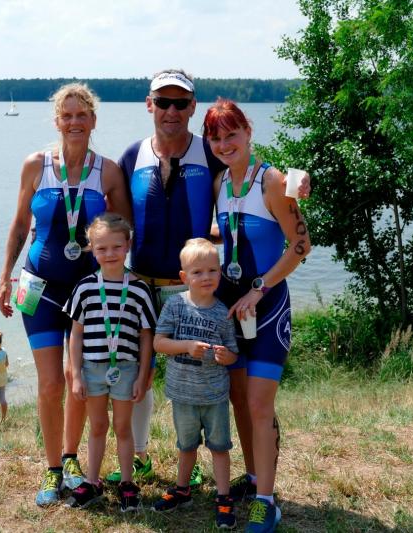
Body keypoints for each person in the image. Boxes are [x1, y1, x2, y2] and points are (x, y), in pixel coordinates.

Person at [114, 68, 312, 486]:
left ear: (191, 107)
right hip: (168, 286)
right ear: (149, 104)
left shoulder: (213, 155)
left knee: (235, 391)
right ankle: (145, 460)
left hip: (216, 292)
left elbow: (261, 174)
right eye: (163, 101)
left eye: (180, 103)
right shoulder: (140, 156)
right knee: (144, 377)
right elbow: (120, 214)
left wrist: (298, 179)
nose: (171, 110)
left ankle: (256, 480)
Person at [0, 83, 131, 505]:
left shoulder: (108, 172)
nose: (74, 122)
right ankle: (53, 468)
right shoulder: (35, 165)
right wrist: (4, 277)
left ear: (93, 120)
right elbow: (20, 225)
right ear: (57, 121)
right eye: (67, 115)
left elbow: (124, 232)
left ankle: (71, 459)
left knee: (79, 379)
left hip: (87, 293)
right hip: (36, 286)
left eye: (81, 115)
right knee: (51, 383)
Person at [205, 98, 311, 533]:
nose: (224, 144)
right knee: (238, 400)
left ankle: (267, 502)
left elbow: (300, 246)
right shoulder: (218, 182)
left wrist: (260, 288)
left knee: (258, 403)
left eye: (232, 134)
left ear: (248, 132)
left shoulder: (272, 181)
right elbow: (230, 232)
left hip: (266, 307)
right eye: (216, 138)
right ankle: (252, 478)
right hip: (232, 307)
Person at [63, 213, 155, 512]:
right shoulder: (85, 287)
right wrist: (76, 375)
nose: (110, 253)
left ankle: (127, 482)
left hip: (126, 369)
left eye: (116, 247)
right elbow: (76, 335)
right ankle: (92, 482)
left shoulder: (140, 289)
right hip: (92, 369)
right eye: (102, 248)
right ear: (92, 249)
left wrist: (143, 374)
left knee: (123, 427)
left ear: (127, 245)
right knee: (98, 426)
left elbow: (146, 336)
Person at [151, 238, 240, 529]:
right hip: (182, 394)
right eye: (198, 272)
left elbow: (232, 353)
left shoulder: (223, 312)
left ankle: (224, 497)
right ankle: (182, 489)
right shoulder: (175, 305)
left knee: (220, 447)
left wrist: (227, 356)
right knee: (186, 446)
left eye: (212, 270)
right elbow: (159, 343)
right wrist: (187, 346)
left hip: (214, 395)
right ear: (184, 276)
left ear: (220, 273)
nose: (206, 277)